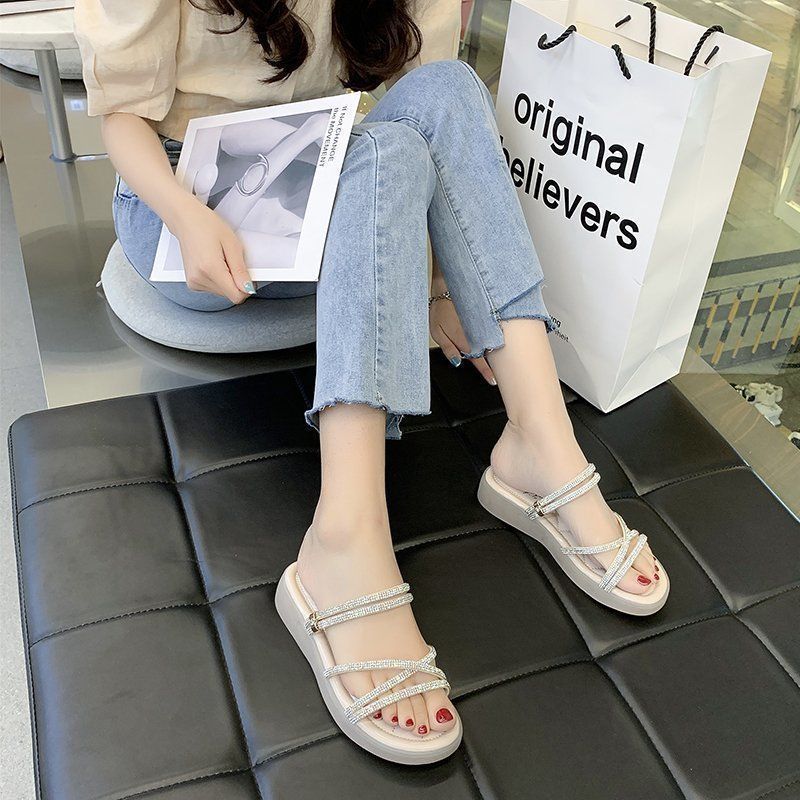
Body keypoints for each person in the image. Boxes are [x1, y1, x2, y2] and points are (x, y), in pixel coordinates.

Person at [74, 0, 668, 765]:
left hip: (336, 175)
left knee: (449, 91)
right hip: (187, 204)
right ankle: (344, 540)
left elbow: (425, 97)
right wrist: (185, 216)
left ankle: (541, 441)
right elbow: (122, 115)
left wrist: (442, 284)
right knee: (383, 154)